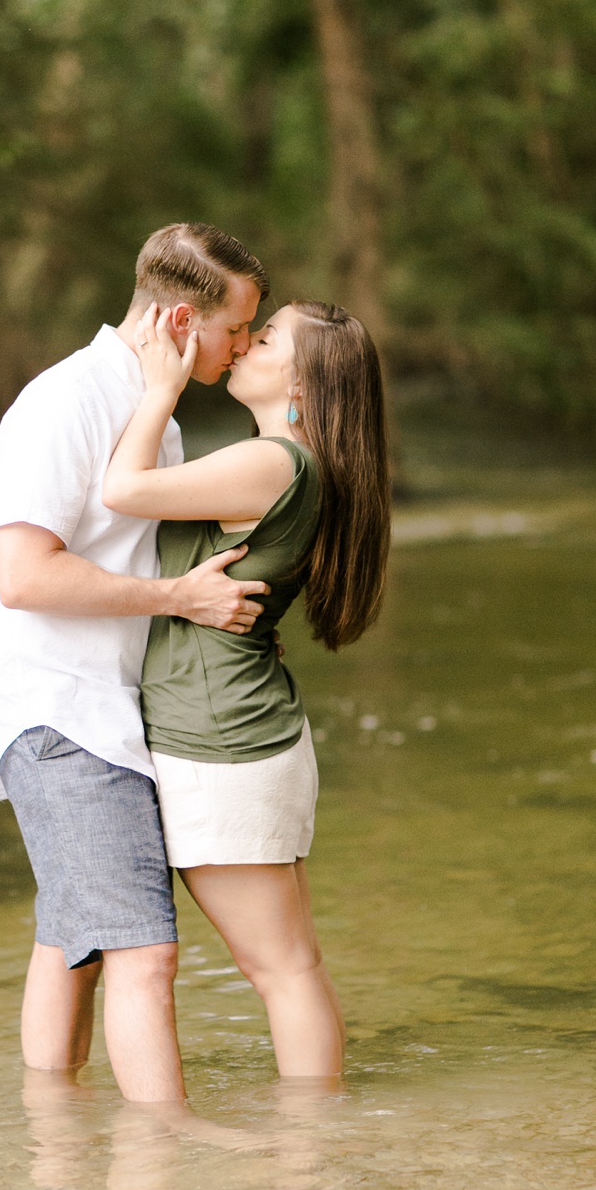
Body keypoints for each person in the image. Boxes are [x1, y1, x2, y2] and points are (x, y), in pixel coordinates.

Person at [0, 222, 270, 1105]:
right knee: (145, 949)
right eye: (235, 330)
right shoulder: (66, 401)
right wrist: (180, 601)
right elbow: (23, 577)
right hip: (59, 712)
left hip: (99, 708)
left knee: (74, 942)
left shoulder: (158, 423)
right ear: (183, 322)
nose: (245, 346)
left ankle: (54, 1138)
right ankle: (163, 1159)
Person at [103, 297, 390, 1078]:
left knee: (283, 969)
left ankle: (308, 1157)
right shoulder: (289, 463)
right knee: (293, 963)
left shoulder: (273, 463)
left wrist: (161, 388)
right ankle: (318, 1144)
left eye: (265, 340)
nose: (245, 346)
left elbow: (122, 491)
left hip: (222, 740)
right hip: (246, 732)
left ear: (305, 386)